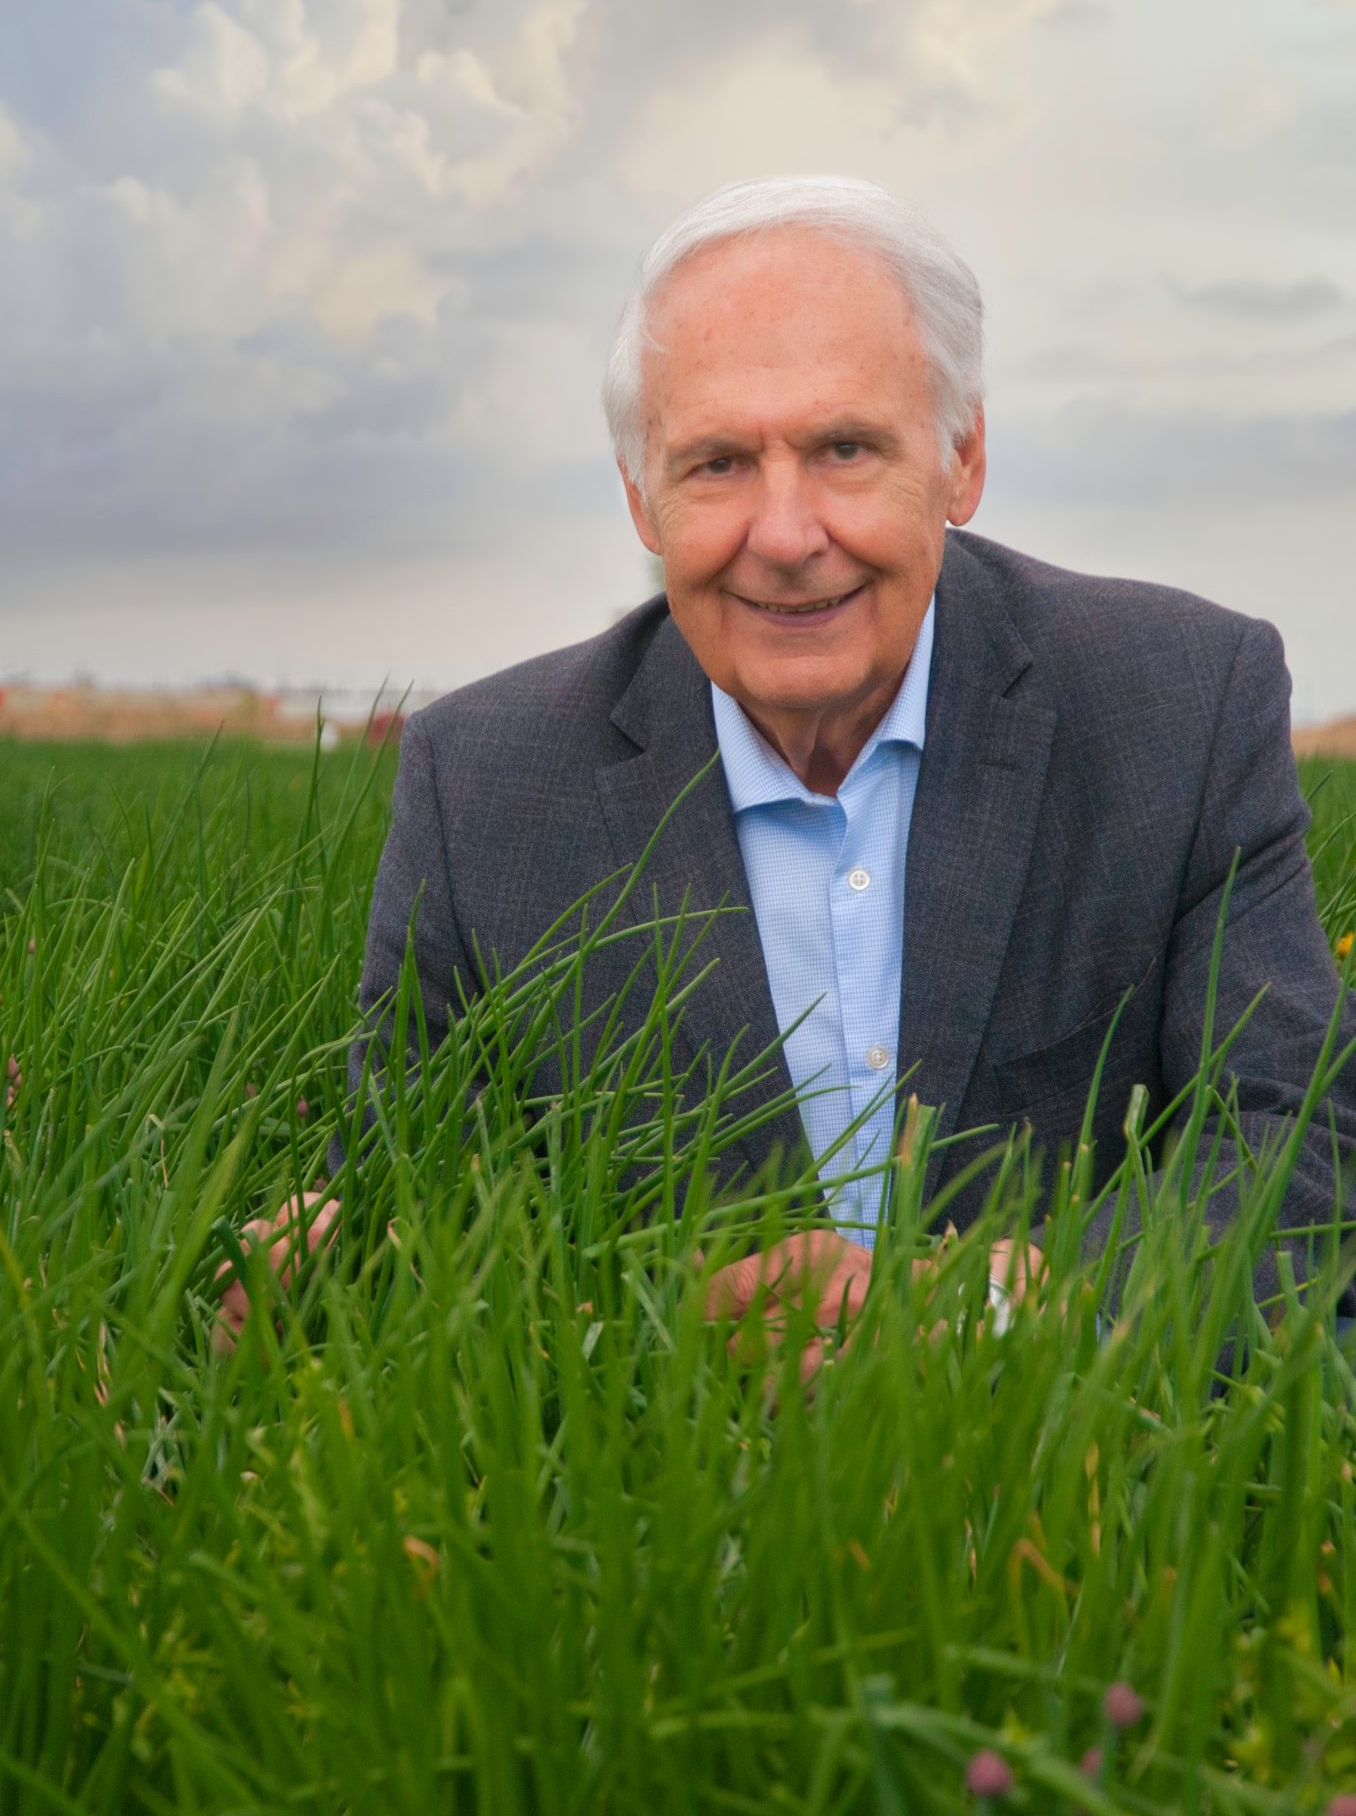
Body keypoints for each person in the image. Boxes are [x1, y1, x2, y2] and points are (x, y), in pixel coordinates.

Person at [224, 175, 1354, 1358]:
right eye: (715, 463)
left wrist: (988, 1309)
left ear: (959, 458)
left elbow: (1301, 1132)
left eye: (843, 448)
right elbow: (422, 1204)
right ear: (639, 498)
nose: (782, 532)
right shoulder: (483, 781)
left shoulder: (1178, 698)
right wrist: (345, 1275)